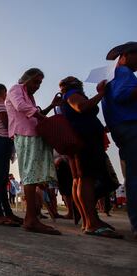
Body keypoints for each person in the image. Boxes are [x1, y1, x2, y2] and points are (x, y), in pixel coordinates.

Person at [59, 76, 122, 239]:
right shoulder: (72, 93)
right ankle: (91, 223)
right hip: (85, 141)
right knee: (86, 179)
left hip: (82, 140)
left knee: (80, 180)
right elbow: (81, 106)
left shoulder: (66, 96)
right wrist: (101, 94)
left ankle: (88, 221)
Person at [6, 68, 61, 235]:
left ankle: (32, 217)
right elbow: (21, 107)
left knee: (34, 176)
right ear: (27, 79)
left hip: (33, 134)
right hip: (25, 134)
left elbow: (35, 114)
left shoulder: (30, 96)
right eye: (36, 82)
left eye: (40, 83)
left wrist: (52, 106)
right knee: (30, 175)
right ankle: (31, 219)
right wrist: (44, 118)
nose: (38, 86)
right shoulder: (16, 89)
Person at [102, 41, 137, 239]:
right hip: (131, 127)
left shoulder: (109, 79)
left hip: (122, 129)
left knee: (132, 176)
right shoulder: (124, 73)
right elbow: (123, 95)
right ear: (125, 56)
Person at [0, 84, 23, 226]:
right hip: (2, 140)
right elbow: (5, 119)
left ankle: (8, 213)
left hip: (0, 141)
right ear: (2, 91)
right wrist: (14, 131)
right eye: (6, 91)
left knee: (1, 180)